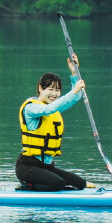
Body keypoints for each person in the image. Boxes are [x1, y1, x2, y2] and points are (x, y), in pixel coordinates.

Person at [16, 53, 95, 191]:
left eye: (57, 90)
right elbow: (48, 109)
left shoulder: (54, 107)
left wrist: (74, 74)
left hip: (47, 167)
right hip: (27, 167)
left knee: (80, 183)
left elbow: (73, 98)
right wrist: (75, 90)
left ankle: (55, 186)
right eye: (50, 89)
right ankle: (27, 186)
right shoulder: (31, 107)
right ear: (40, 88)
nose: (54, 94)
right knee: (58, 183)